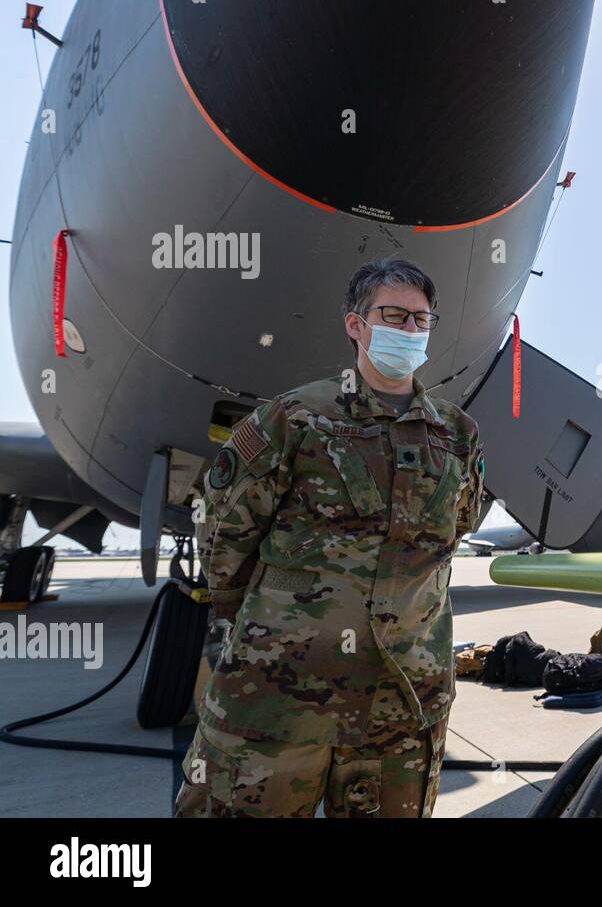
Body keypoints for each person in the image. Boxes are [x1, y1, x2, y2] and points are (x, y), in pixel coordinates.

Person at [174, 257, 485, 817]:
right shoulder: (296, 419)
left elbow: (456, 531)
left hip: (403, 702)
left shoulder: (456, 435)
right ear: (355, 325)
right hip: (280, 690)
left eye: (422, 319)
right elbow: (226, 527)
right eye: (394, 315)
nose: (410, 330)